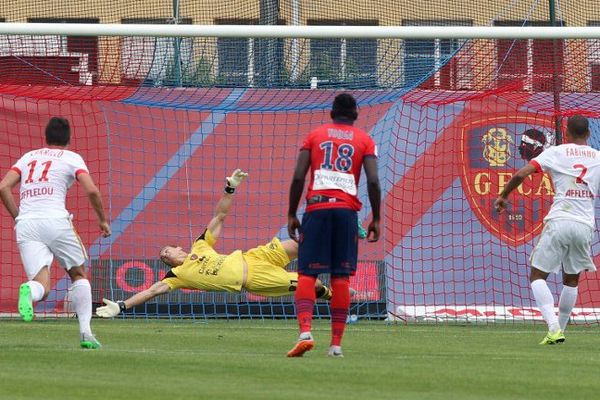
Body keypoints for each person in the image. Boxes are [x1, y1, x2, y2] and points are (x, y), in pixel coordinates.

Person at [96, 169, 334, 319]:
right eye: (164, 256)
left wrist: (229, 189)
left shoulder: (200, 245)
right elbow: (151, 291)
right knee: (311, 285)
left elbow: (220, 216)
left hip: (254, 258)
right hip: (254, 280)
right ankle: (331, 295)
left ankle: (336, 232)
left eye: (168, 249)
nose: (167, 255)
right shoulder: (177, 275)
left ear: (179, 248)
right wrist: (121, 306)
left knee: (298, 243)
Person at [0, 117, 111, 349]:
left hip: (27, 225)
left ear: (46, 137)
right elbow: (91, 190)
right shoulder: (72, 158)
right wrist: (102, 220)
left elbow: (3, 187)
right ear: (69, 139)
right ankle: (85, 334)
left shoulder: (28, 157)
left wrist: (18, 216)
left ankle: (28, 291)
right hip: (56, 221)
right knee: (78, 274)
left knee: (42, 285)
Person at [287, 93, 381, 358]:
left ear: (331, 112)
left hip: (317, 208)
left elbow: (297, 177)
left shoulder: (315, 135)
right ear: (355, 114)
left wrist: (292, 213)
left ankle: (305, 331)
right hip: (346, 212)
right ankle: (336, 346)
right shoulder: (365, 140)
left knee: (307, 274)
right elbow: (373, 181)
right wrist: (377, 217)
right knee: (340, 277)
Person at [494, 115, 600, 345]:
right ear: (589, 134)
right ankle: (559, 331)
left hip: (560, 220)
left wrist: (503, 196)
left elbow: (521, 174)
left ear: (567, 131)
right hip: (584, 225)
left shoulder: (556, 152)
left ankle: (553, 327)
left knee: (537, 274)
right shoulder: (598, 157)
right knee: (571, 280)